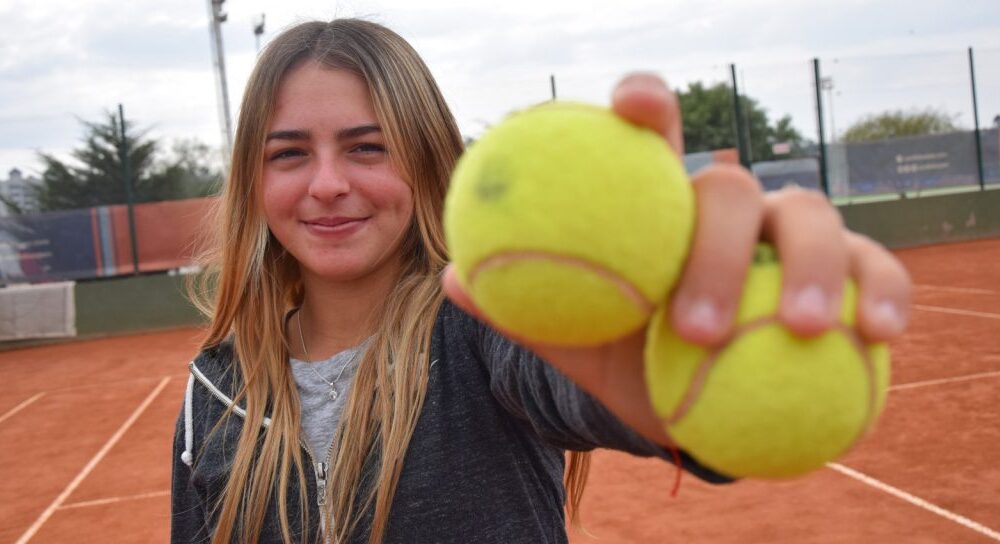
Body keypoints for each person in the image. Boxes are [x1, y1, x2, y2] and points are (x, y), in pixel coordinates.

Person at [171, 18, 911, 544]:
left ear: (428, 162)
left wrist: (691, 364)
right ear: (253, 182)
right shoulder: (215, 388)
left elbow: (620, 399)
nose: (328, 183)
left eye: (368, 147)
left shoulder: (491, 329)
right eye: (290, 154)